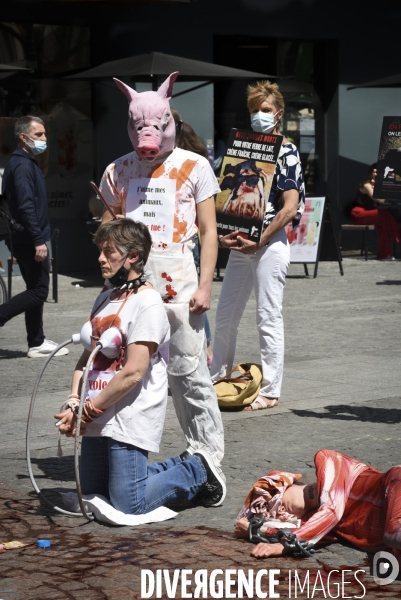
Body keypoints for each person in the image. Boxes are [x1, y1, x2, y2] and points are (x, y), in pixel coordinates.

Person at [54, 219, 226, 514]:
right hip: (96, 412)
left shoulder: (147, 302)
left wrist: (90, 409)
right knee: (94, 495)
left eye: (109, 252)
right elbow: (86, 358)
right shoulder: (105, 297)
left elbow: (134, 371)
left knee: (127, 504)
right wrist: (74, 401)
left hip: (128, 416)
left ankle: (198, 470)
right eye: (100, 251)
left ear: (133, 256)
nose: (100, 259)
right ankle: (180, 462)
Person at [99, 73, 224, 468]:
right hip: (130, 291)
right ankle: (125, 454)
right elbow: (107, 227)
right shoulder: (116, 171)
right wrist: (109, 275)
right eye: (139, 127)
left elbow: (208, 232)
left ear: (170, 122)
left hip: (180, 286)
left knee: (190, 376)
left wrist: (204, 287)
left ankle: (208, 457)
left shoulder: (196, 167)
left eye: (155, 124)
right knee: (127, 370)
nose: (146, 135)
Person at [210, 80, 305, 411]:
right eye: (254, 111)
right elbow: (226, 197)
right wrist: (226, 234)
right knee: (225, 315)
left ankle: (271, 390)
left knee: (267, 316)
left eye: (265, 111)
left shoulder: (287, 151)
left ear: (278, 114)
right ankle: (217, 377)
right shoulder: (242, 148)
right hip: (240, 244)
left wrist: (261, 239)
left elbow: (289, 206)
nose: (258, 116)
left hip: (269, 244)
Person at [234, 448, 401, 562]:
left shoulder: (327, 459)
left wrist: (284, 543)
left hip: (395, 487)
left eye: (274, 503)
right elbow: (303, 533)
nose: (282, 511)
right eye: (276, 515)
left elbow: (331, 511)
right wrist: (254, 529)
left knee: (393, 534)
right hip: (390, 541)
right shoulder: (319, 525)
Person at [0, 116, 68, 358]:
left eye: (44, 134)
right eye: (39, 135)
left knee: (34, 287)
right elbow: (26, 205)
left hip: (26, 237)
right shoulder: (22, 166)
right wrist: (38, 240)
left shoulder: (24, 163)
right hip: (28, 239)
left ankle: (36, 342)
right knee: (39, 291)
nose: (44, 139)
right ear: (23, 138)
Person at [171, 108, 213, 366]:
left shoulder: (193, 161)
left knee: (190, 296)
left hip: (189, 238)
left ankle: (203, 350)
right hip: (179, 239)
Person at [351, 163, 400, 260]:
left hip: (370, 214)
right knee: (385, 214)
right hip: (359, 214)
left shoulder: (379, 186)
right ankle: (398, 236)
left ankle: (384, 255)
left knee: (384, 226)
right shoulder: (366, 185)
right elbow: (379, 199)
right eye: (376, 172)